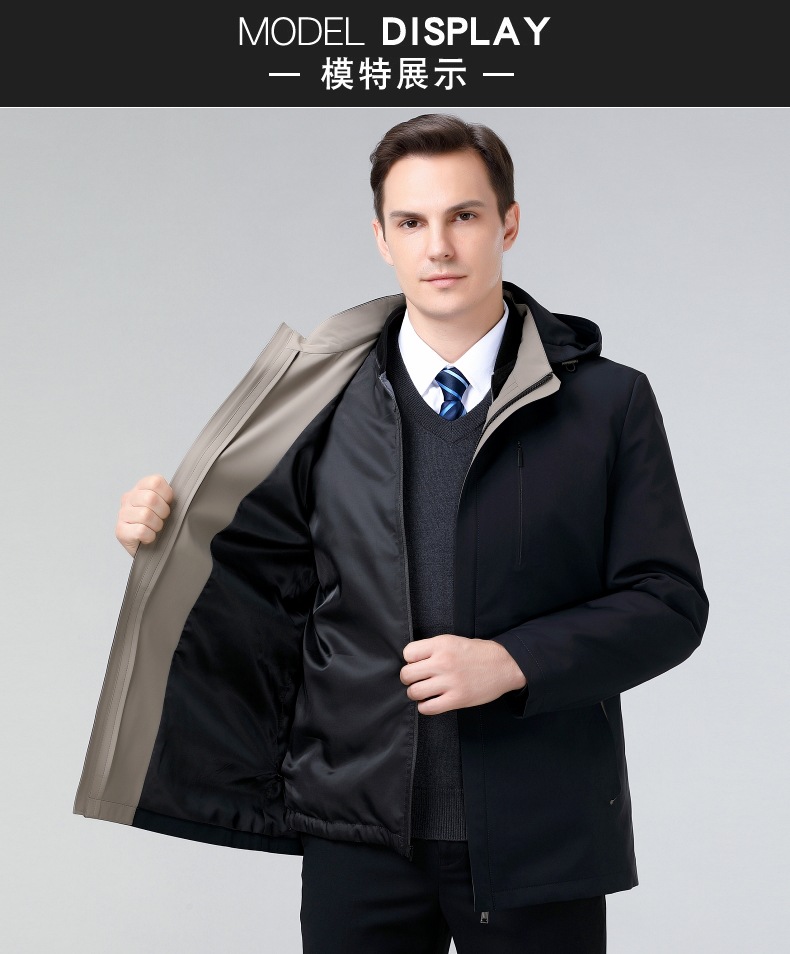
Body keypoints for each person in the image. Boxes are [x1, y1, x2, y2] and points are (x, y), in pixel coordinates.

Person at [75, 114, 708, 953]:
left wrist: (512, 662)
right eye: (411, 222)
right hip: (358, 834)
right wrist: (163, 535)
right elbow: (260, 575)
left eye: (464, 216)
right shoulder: (313, 401)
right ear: (381, 237)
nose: (437, 246)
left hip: (539, 830)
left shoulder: (607, 403)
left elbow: (668, 603)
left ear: (509, 223)